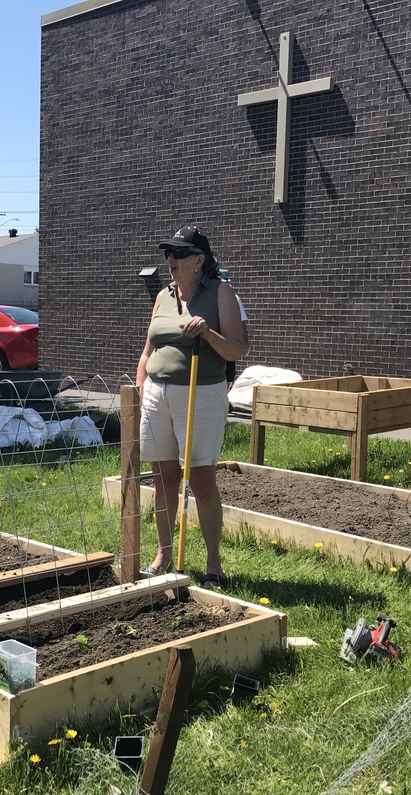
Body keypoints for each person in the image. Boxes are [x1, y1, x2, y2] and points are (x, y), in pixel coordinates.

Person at [135, 226, 247, 589]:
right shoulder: (164, 296)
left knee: (200, 479)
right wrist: (141, 385)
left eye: (180, 254)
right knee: (163, 477)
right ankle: (163, 555)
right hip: (157, 393)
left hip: (201, 392)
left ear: (199, 260)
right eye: (169, 254)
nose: (172, 260)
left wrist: (208, 333)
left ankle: (214, 564)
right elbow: (149, 348)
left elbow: (236, 349)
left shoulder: (221, 292)